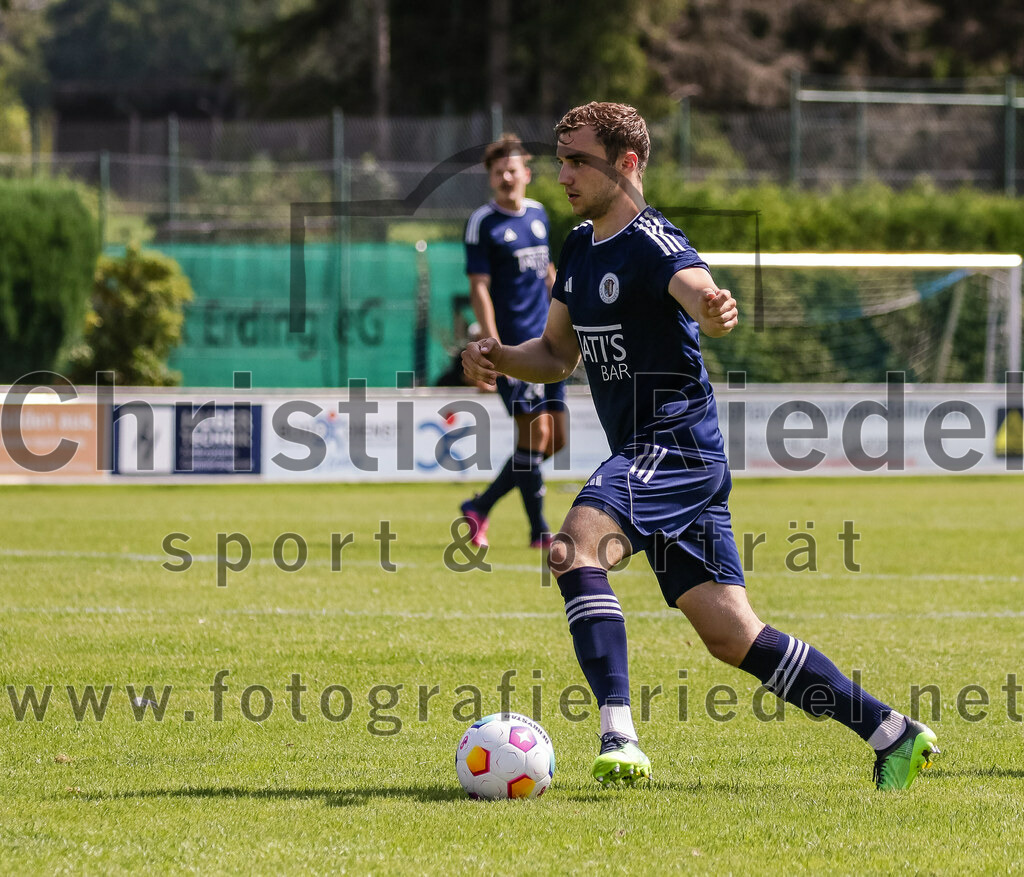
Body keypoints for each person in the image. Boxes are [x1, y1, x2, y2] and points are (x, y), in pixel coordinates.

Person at [463, 101, 939, 791]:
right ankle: (892, 732)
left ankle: (618, 734)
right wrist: (499, 355)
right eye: (560, 158)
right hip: (662, 458)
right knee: (732, 634)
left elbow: (697, 288)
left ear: (626, 164)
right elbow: (556, 353)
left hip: (674, 446)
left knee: (574, 544)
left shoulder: (655, 240)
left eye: (578, 161)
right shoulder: (577, 246)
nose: (562, 173)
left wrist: (713, 306)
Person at [459, 133, 567, 550]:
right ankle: (540, 531)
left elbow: (548, 272)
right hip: (515, 349)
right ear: (490, 178)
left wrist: (568, 315)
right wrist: (492, 346)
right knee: (535, 436)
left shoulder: (539, 214)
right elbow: (479, 288)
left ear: (527, 172)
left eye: (512, 168)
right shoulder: (482, 222)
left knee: (556, 439)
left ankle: (481, 505)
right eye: (498, 170)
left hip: (552, 343)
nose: (506, 176)